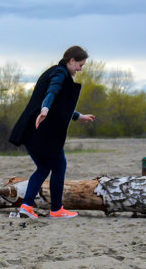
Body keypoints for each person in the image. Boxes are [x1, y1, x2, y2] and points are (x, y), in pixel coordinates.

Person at [8, 46, 96, 219]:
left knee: (43, 168)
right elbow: (52, 92)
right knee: (59, 166)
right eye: (80, 64)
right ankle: (56, 209)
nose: (80, 69)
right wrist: (45, 109)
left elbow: (60, 107)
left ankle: (26, 207)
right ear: (71, 60)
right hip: (43, 131)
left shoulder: (55, 72)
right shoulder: (59, 74)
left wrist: (79, 116)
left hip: (31, 130)